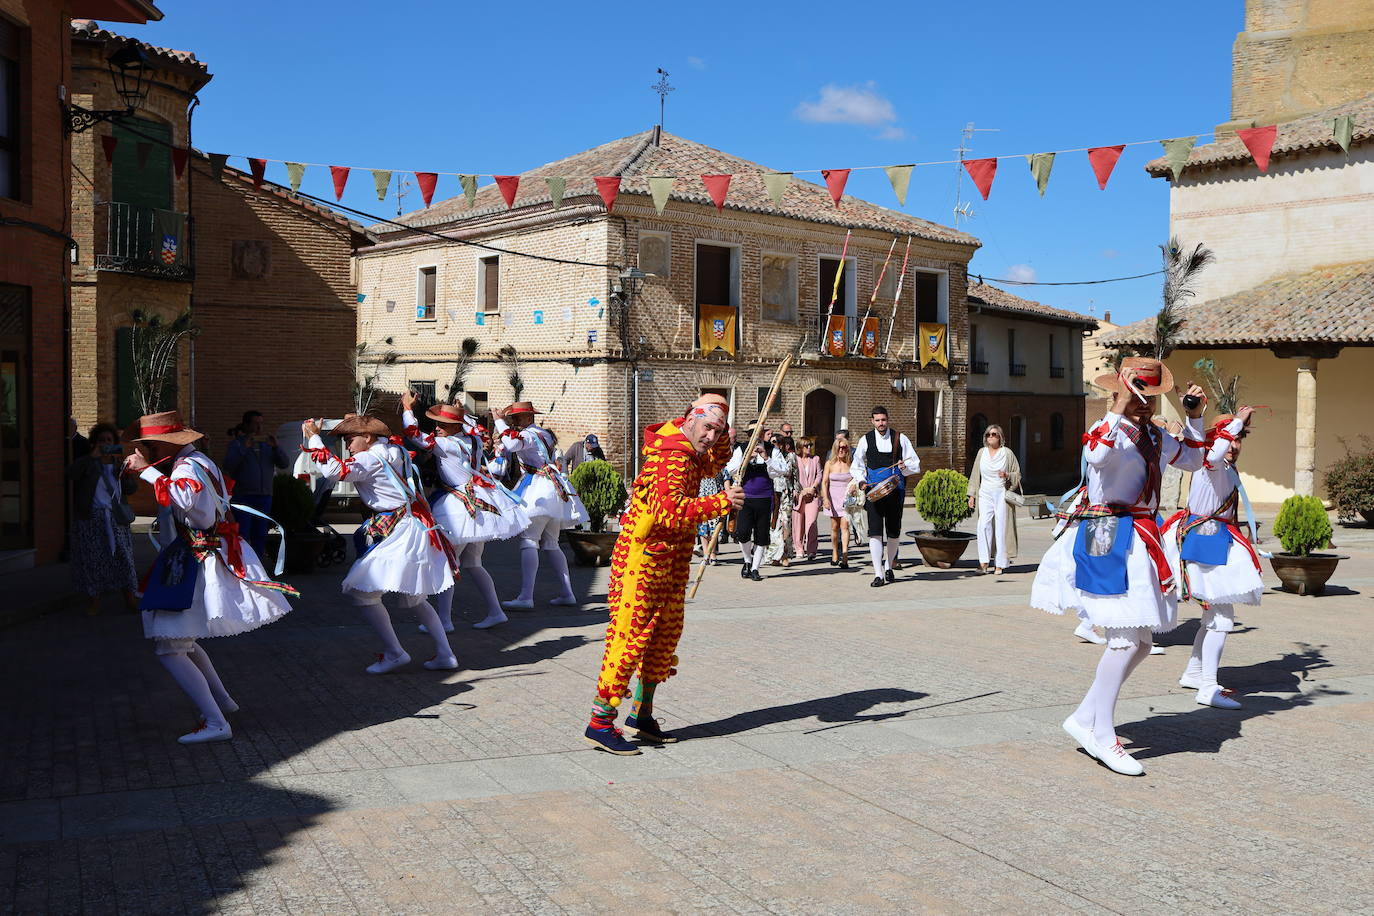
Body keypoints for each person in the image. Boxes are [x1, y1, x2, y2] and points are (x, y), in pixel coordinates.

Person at [1030, 358, 1207, 776]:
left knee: (1142, 642)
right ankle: (1103, 735)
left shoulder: (1158, 437)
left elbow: (1197, 461)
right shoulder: (1106, 432)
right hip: (1105, 535)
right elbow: (1095, 456)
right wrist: (1120, 405)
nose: (1144, 404)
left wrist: (1194, 417)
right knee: (1124, 642)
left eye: (1150, 398)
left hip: (1141, 539)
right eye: (1138, 396)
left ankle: (1083, 718)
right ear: (1119, 394)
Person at [124, 410, 296, 744]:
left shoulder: (188, 466)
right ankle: (222, 702)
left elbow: (190, 504)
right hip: (200, 552)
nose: (149, 453)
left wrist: (145, 473)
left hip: (198, 556)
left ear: (165, 444)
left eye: (151, 446)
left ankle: (217, 721)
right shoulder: (199, 460)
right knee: (181, 639)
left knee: (169, 646)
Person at [584, 394, 744, 754]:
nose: (711, 438)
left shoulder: (690, 448)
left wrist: (725, 436)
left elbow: (713, 464)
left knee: (663, 638)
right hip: (642, 563)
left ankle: (641, 714)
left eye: (717, 432)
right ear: (689, 419)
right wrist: (721, 502)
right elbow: (670, 512)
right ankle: (600, 720)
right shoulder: (672, 457)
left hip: (669, 561)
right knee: (629, 639)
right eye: (707, 428)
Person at [302, 413, 459, 673]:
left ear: (367, 437)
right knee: (415, 597)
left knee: (363, 591)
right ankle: (445, 653)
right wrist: (356, 421)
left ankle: (396, 652)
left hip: (400, 529)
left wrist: (315, 438)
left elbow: (334, 471)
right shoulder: (393, 449)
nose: (348, 445)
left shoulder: (369, 457)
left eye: (351, 439)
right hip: (410, 524)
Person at [400, 393, 530, 631]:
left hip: (459, 506)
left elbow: (414, 436)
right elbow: (473, 428)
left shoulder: (446, 445)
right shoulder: (474, 440)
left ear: (453, 427)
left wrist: (408, 408)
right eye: (437, 424)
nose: (437, 428)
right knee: (473, 563)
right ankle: (495, 611)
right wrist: (460, 413)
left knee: (450, 563)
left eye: (442, 424)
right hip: (477, 502)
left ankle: (444, 620)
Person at [1163, 407, 1260, 710]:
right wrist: (1236, 422)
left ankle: (1194, 673)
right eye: (1229, 439)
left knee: (1212, 616)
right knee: (1221, 618)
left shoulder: (1226, 468)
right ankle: (1207, 687)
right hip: (1205, 544)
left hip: (1211, 542)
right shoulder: (1210, 464)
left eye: (1239, 438)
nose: (1234, 444)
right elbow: (1214, 455)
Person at [495, 401, 588, 609]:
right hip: (552, 491)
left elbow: (512, 445)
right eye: (513, 419)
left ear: (529, 417)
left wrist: (499, 422)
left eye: (518, 418)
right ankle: (567, 593)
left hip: (538, 491)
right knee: (551, 544)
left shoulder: (529, 435)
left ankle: (526, 596)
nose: (515, 422)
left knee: (529, 541)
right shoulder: (543, 434)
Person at [66, 422, 139, 615]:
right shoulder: (87, 462)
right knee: (93, 560)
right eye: (101, 441)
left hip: (116, 519)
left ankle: (129, 598)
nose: (105, 444)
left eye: (109, 440)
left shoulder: (119, 465)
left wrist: (125, 471)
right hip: (91, 518)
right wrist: (92, 457)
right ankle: (94, 600)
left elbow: (131, 489)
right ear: (94, 443)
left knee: (123, 558)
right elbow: (70, 474)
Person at [851, 407, 920, 588]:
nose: (881, 423)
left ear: (887, 420)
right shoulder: (865, 440)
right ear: (872, 421)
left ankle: (889, 565)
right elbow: (856, 464)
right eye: (878, 420)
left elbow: (915, 463)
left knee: (893, 531)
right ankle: (878, 573)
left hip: (896, 491)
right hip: (874, 493)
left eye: (883, 420)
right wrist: (861, 481)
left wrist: (904, 466)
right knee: (874, 532)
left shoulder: (900, 438)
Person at [222, 411, 289, 559]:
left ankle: (258, 566)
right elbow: (228, 465)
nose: (259, 427)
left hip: (264, 496)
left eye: (261, 423)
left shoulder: (267, 445)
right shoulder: (236, 444)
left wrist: (276, 447)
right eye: (255, 423)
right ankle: (244, 565)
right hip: (243, 496)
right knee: (243, 534)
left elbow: (284, 463)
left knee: (260, 534)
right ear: (246, 425)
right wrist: (243, 448)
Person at [725, 431, 787, 580]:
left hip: (765, 497)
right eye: (753, 433)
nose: (756, 436)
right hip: (745, 497)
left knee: (762, 535)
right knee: (743, 532)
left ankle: (755, 568)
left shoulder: (772, 449)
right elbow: (730, 469)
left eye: (759, 433)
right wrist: (746, 459)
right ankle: (747, 560)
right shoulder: (742, 448)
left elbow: (782, 470)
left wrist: (766, 457)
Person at [967, 424, 1021, 575]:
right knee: (983, 525)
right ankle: (983, 562)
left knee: (1001, 527)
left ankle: (1000, 563)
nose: (990, 437)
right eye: (988, 435)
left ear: (1000, 437)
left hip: (1001, 493)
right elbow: (975, 474)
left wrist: (1007, 475)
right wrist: (972, 495)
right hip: (984, 493)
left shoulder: (1007, 453)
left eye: (994, 434)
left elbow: (1017, 473)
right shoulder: (981, 453)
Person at [764, 436, 798, 566]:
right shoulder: (769, 456)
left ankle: (784, 553)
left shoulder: (790, 457)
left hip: (786, 494)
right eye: (773, 443)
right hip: (772, 493)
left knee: (785, 524)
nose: (775, 445)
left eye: (777, 443)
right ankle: (774, 555)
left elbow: (795, 473)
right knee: (773, 524)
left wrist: (796, 490)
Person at [822, 436, 855, 568]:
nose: (842, 450)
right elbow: (824, 482)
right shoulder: (829, 464)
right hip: (833, 498)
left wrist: (854, 486)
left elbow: (856, 479)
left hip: (846, 499)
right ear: (835, 449)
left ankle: (845, 556)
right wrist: (825, 498)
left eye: (844, 447)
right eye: (839, 447)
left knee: (845, 527)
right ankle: (835, 552)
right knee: (834, 527)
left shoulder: (851, 464)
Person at [792, 437, 822, 561]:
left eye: (810, 445)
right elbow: (792, 476)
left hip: (812, 495)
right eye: (806, 446)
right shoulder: (795, 459)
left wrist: (813, 487)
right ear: (800, 447)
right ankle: (799, 549)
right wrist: (799, 491)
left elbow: (819, 474)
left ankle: (811, 550)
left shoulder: (815, 459)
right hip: (798, 495)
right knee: (797, 524)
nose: (809, 448)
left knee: (811, 522)